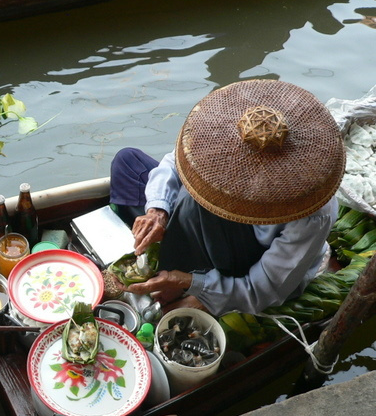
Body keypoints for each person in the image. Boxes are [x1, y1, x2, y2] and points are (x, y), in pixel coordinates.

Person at [109, 79, 346, 317]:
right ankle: (168, 246)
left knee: (193, 202)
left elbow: (263, 289)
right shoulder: (218, 136)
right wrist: (158, 211)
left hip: (247, 256)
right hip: (205, 230)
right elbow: (176, 162)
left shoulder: (311, 211)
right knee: (128, 161)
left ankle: (174, 270)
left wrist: (189, 283)